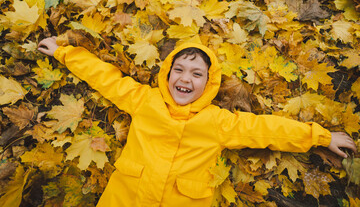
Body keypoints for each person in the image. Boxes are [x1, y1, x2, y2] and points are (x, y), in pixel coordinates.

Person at [38, 37, 357, 207]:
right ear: (166, 73)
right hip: (125, 198)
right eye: (179, 69)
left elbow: (266, 129)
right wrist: (64, 53)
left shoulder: (217, 122)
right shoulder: (143, 100)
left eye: (196, 74)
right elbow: (104, 78)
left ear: (209, 83)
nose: (185, 79)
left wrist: (322, 137)